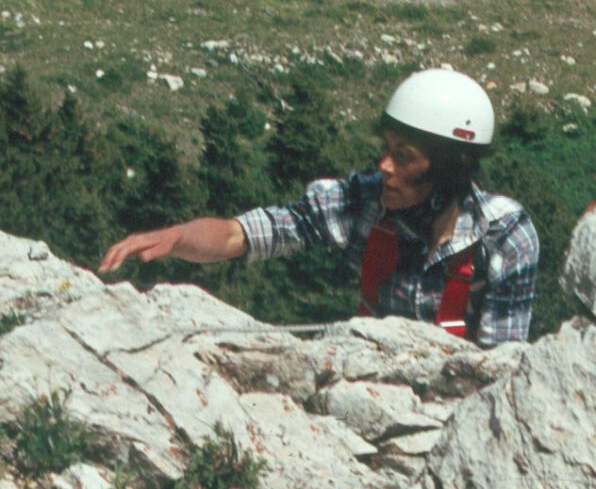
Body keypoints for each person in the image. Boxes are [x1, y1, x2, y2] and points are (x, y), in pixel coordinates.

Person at [98, 69, 540, 348]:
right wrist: (175, 237)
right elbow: (244, 235)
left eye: (404, 157)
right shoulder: (361, 202)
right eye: (385, 150)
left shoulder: (504, 237)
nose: (384, 167)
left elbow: (500, 367)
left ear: (449, 170)